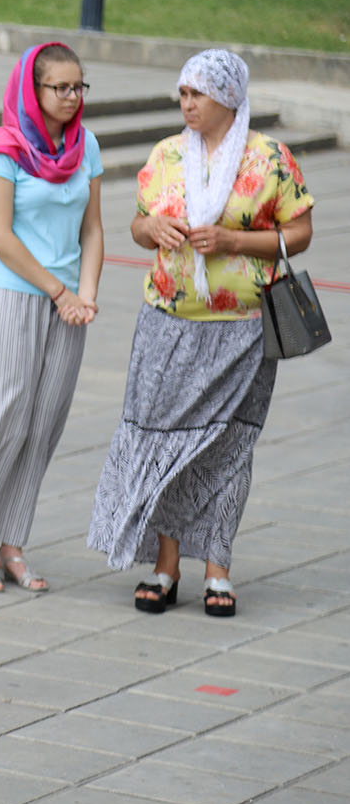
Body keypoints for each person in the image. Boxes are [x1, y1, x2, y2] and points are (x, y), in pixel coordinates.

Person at [90, 49, 315, 618]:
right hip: (167, 321)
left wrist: (236, 241)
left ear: (229, 98)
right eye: (183, 94)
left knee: (228, 447)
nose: (187, 104)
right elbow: (137, 224)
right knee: (169, 443)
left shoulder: (270, 159)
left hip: (243, 328)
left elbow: (300, 232)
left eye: (199, 94)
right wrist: (152, 228)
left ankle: (218, 569)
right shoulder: (166, 154)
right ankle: (165, 568)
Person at [0, 43, 103, 593]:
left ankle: (12, 542)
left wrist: (86, 294)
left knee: (42, 425)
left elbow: (92, 229)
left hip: (68, 307)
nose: (72, 97)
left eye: (79, 86)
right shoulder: (4, 149)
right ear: (32, 91)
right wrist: (60, 291)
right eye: (61, 87)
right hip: (13, 296)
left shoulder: (85, 147)